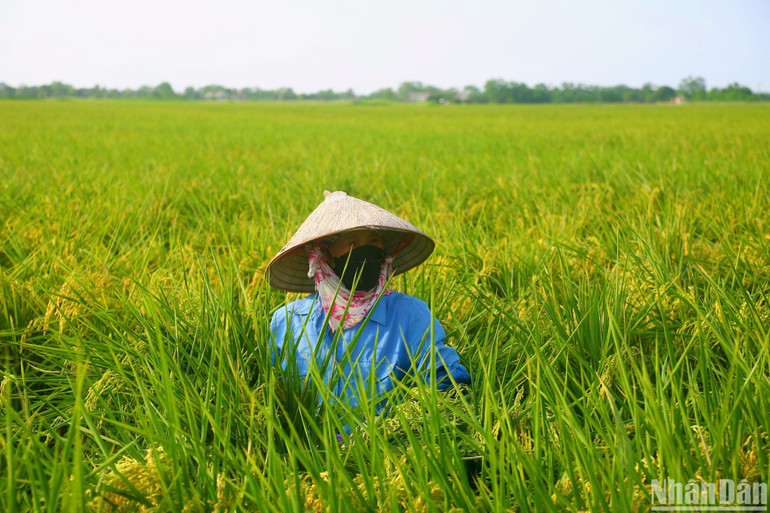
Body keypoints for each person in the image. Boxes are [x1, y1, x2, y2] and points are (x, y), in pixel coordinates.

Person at [266, 191, 471, 412]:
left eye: (374, 241)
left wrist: (395, 426)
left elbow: (449, 381)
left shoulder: (409, 314)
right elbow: (274, 395)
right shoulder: (288, 321)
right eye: (352, 243)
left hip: (387, 443)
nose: (366, 251)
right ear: (325, 256)